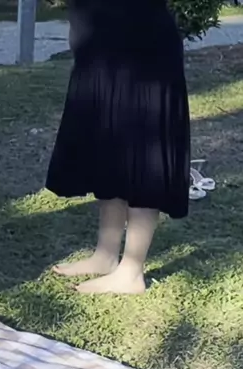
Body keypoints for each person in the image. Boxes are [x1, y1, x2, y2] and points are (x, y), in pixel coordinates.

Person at [46, 0, 191, 294]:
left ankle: (131, 272)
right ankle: (106, 255)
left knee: (143, 154)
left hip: (141, 46)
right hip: (100, 46)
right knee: (108, 150)